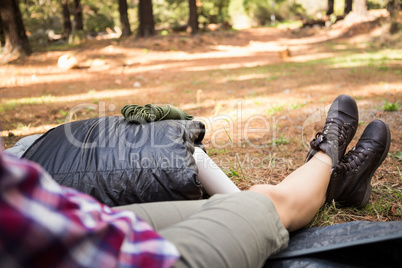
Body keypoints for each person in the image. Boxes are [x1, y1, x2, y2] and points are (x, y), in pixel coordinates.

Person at [0, 95, 391, 267]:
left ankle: (335, 184)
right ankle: (328, 155)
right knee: (258, 205)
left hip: (58, 224)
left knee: (216, 207)